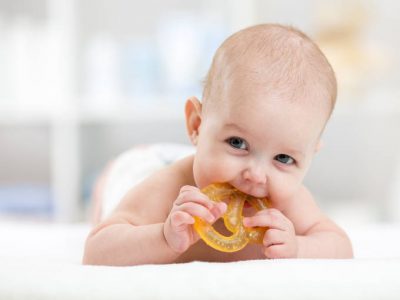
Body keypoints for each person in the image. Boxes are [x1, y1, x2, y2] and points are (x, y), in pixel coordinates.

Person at [83, 24, 353, 265]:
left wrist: (299, 248)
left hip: (201, 156)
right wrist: (162, 237)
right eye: (238, 143)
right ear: (197, 125)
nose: (256, 176)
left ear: (309, 156)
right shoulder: (168, 187)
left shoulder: (289, 203)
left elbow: (340, 246)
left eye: (283, 159)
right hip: (148, 163)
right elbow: (96, 250)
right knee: (116, 184)